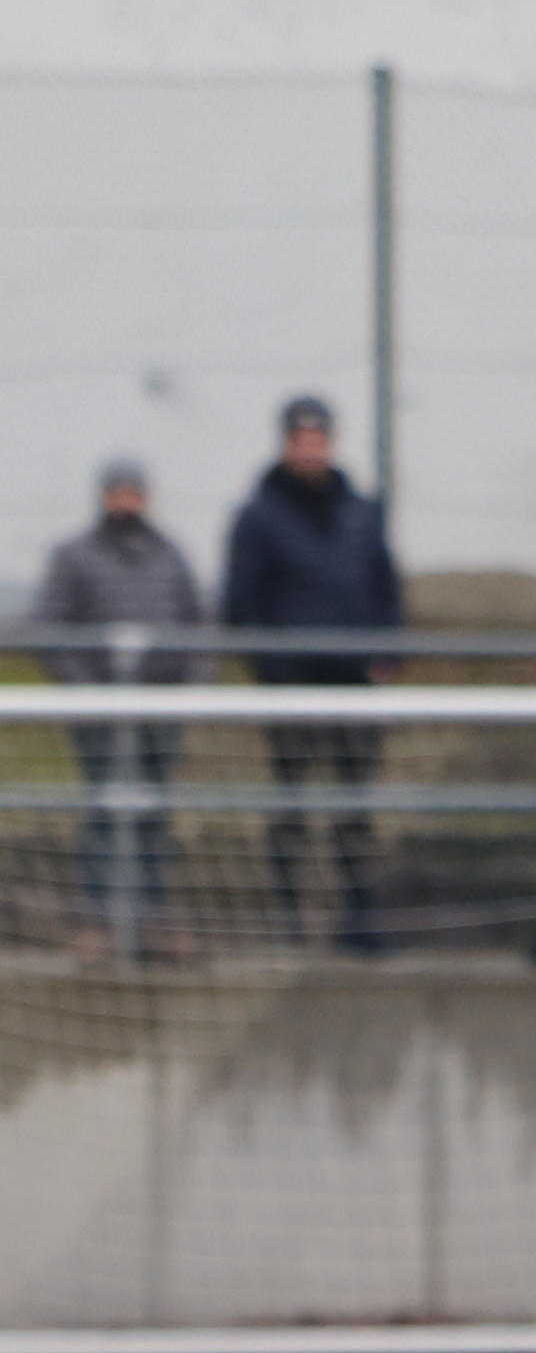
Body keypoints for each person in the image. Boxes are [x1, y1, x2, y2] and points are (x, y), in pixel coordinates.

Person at [220, 394, 404, 953]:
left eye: (319, 440)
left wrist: (385, 654)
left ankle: (358, 918)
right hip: (291, 684)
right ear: (286, 445)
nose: (312, 451)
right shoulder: (260, 516)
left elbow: (384, 586)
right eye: (302, 441)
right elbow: (242, 601)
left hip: (352, 682)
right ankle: (288, 921)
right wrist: (273, 667)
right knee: (290, 804)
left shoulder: (359, 511)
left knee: (354, 806)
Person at [34, 457, 204, 962]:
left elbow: (197, 626)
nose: (127, 502)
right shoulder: (75, 556)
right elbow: (51, 630)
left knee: (153, 813)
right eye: (118, 492)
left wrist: (187, 687)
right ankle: (98, 922)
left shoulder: (169, 554)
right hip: (100, 715)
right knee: (104, 812)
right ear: (104, 496)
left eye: (134, 493)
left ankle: (152, 920)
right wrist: (88, 691)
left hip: (158, 712)